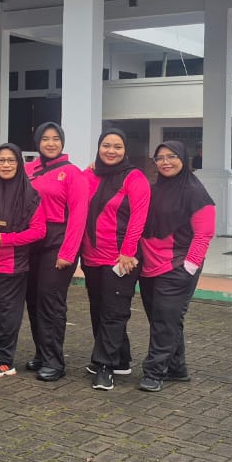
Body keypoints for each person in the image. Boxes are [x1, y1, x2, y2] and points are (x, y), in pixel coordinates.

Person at [138, 141, 214, 392]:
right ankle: (177, 367)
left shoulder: (195, 192)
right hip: (149, 266)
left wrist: (189, 268)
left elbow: (203, 234)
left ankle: (154, 372)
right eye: (160, 158)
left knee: (164, 321)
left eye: (171, 156)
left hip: (177, 266)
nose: (165, 162)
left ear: (183, 158)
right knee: (164, 320)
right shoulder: (154, 189)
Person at [81, 127, 151, 392]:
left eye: (117, 146)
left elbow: (139, 217)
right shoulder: (90, 175)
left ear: (125, 150)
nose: (111, 151)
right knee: (99, 309)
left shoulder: (135, 178)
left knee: (114, 312)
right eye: (106, 146)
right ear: (99, 148)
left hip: (121, 259)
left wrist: (128, 251)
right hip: (91, 256)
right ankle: (120, 359)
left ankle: (104, 366)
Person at [23, 122, 88, 382]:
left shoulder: (72, 173)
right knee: (33, 300)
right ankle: (41, 353)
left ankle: (54, 361)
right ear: (37, 142)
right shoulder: (28, 170)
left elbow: (79, 216)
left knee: (50, 301)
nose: (50, 143)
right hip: (31, 242)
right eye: (45, 139)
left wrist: (68, 252)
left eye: (56, 139)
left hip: (58, 243)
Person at [0, 144, 46, 378]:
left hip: (12, 264)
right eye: (1, 160)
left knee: (7, 313)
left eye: (11, 160)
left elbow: (39, 230)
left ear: (19, 164)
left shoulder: (30, 195)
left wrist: (7, 239)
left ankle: (5, 360)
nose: (6, 165)